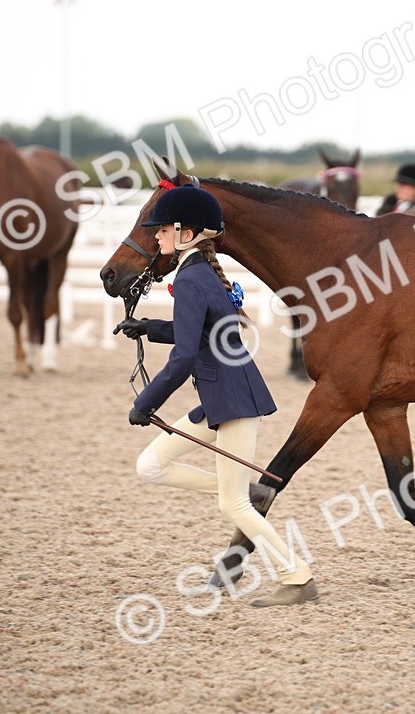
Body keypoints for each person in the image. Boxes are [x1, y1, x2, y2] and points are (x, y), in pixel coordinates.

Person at [114, 186, 318, 608]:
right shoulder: (198, 275)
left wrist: (146, 403)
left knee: (233, 505)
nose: (155, 238)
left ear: (186, 235)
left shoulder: (191, 278)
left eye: (162, 231)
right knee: (150, 465)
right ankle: (250, 491)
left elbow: (185, 355)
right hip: (219, 398)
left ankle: (297, 577)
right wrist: (149, 327)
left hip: (232, 402)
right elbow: (198, 333)